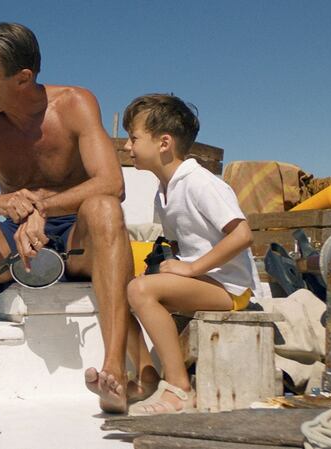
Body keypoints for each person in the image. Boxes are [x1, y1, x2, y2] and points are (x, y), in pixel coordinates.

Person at [0, 22, 152, 414]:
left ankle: (113, 373)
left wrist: (40, 207)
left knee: (105, 207)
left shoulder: (75, 104)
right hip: (9, 240)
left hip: (78, 238)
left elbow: (112, 183)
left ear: (22, 78)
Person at [122, 94, 262, 415]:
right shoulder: (163, 193)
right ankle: (148, 378)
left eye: (134, 138)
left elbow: (242, 234)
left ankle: (180, 389)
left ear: (164, 142)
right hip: (202, 283)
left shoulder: (200, 182)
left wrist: (191, 268)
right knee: (119, 294)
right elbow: (180, 246)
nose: (128, 147)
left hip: (230, 289)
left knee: (139, 289)